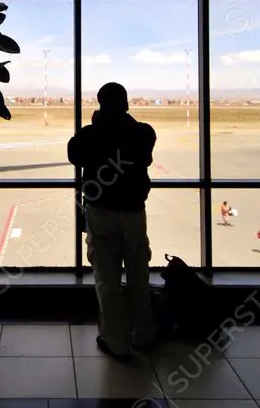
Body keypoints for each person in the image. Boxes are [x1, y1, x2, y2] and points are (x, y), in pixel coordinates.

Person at [67, 82, 158, 360]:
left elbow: (75, 154)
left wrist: (98, 124)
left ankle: (116, 341)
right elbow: (145, 155)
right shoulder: (143, 133)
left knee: (107, 281)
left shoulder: (88, 136)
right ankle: (143, 334)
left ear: (100, 105)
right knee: (139, 275)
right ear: (127, 104)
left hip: (101, 213)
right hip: (133, 213)